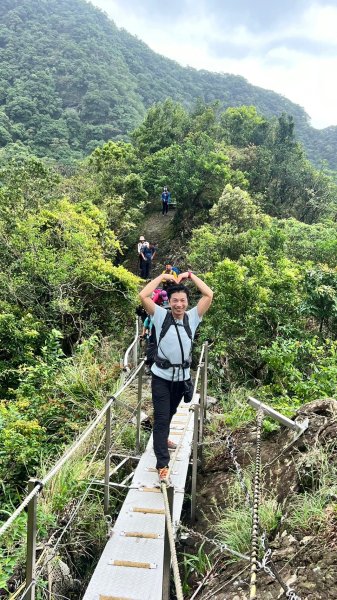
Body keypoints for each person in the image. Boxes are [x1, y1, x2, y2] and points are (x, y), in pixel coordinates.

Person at [139, 271, 213, 483]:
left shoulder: (193, 318)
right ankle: (162, 464)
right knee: (161, 418)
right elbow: (143, 296)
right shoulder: (161, 316)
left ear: (187, 302)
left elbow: (209, 294)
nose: (179, 305)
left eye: (182, 301)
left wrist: (191, 275)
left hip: (181, 379)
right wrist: (162, 277)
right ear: (169, 302)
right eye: (175, 301)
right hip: (161, 377)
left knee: (170, 413)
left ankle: (164, 439)